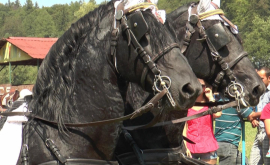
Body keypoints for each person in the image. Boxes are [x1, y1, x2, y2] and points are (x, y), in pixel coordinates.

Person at [183, 79, 222, 165]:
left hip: (208, 146)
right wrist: (185, 146)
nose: (199, 88)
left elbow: (218, 114)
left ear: (205, 88)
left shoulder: (209, 104)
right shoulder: (187, 105)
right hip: (190, 147)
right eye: (195, 84)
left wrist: (211, 97)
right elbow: (184, 127)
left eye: (202, 86)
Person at [250, 67, 270, 165]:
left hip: (268, 134)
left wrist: (255, 115)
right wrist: (253, 118)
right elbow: (254, 107)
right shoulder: (259, 92)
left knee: (267, 162)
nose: (259, 81)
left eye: (261, 78)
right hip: (259, 132)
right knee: (253, 162)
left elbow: (268, 111)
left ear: (269, 78)